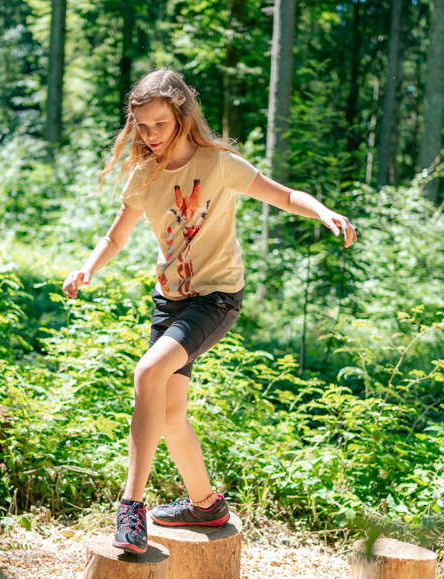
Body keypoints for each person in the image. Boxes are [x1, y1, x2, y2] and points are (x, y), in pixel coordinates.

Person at [63, 68, 357, 554]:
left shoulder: (220, 164)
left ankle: (129, 506)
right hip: (170, 300)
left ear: (181, 116)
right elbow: (117, 234)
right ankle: (206, 504)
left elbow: (283, 195)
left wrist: (322, 211)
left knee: (146, 373)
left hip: (217, 296)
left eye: (159, 124)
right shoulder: (144, 175)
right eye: (142, 126)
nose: (150, 135)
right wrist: (88, 268)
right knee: (171, 416)